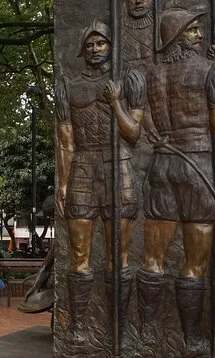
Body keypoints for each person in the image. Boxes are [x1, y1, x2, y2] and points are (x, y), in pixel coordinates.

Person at [105, 9, 215, 353]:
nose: (200, 36)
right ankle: (192, 339)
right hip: (197, 166)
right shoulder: (212, 70)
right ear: (178, 38)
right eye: (193, 31)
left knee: (152, 258)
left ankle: (147, 332)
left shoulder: (149, 76)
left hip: (162, 169)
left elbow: (134, 131)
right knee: (195, 263)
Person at [56, 21, 139, 340]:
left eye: (101, 43)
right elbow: (66, 139)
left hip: (119, 166)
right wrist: (63, 182)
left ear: (111, 46)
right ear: (82, 49)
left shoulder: (128, 80)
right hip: (83, 167)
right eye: (89, 44)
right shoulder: (69, 85)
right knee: (79, 255)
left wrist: (115, 101)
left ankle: (118, 327)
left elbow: (133, 134)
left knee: (119, 256)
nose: (94, 49)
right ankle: (77, 326)